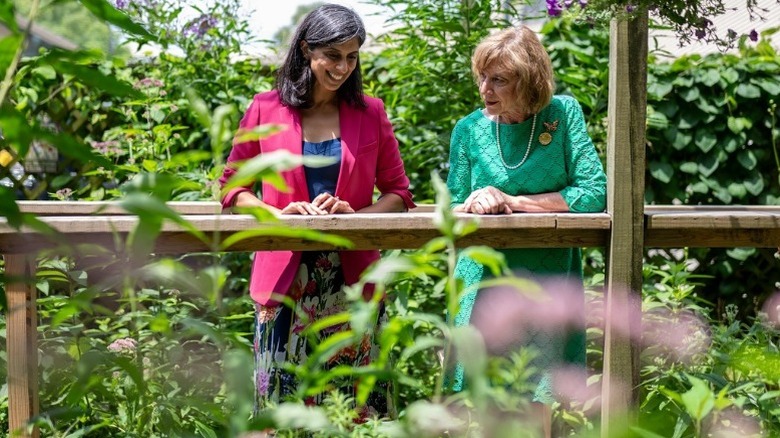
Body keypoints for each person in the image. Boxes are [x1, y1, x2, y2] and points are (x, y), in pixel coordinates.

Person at [218, 3, 415, 416]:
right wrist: (276, 215)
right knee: (282, 410)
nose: (343, 68)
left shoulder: (371, 112)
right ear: (307, 49)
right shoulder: (265, 108)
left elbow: (398, 193)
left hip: (353, 279)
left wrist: (354, 217)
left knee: (356, 411)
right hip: (284, 280)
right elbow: (233, 189)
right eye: (333, 55)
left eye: (352, 57)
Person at [446, 25, 607, 435]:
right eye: (482, 76)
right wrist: (475, 201)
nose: (485, 88)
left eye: (499, 79)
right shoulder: (468, 130)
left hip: (546, 280)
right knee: (486, 401)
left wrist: (512, 201)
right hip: (484, 277)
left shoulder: (563, 114)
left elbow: (593, 193)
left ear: (530, 80)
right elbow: (452, 204)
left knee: (537, 397)